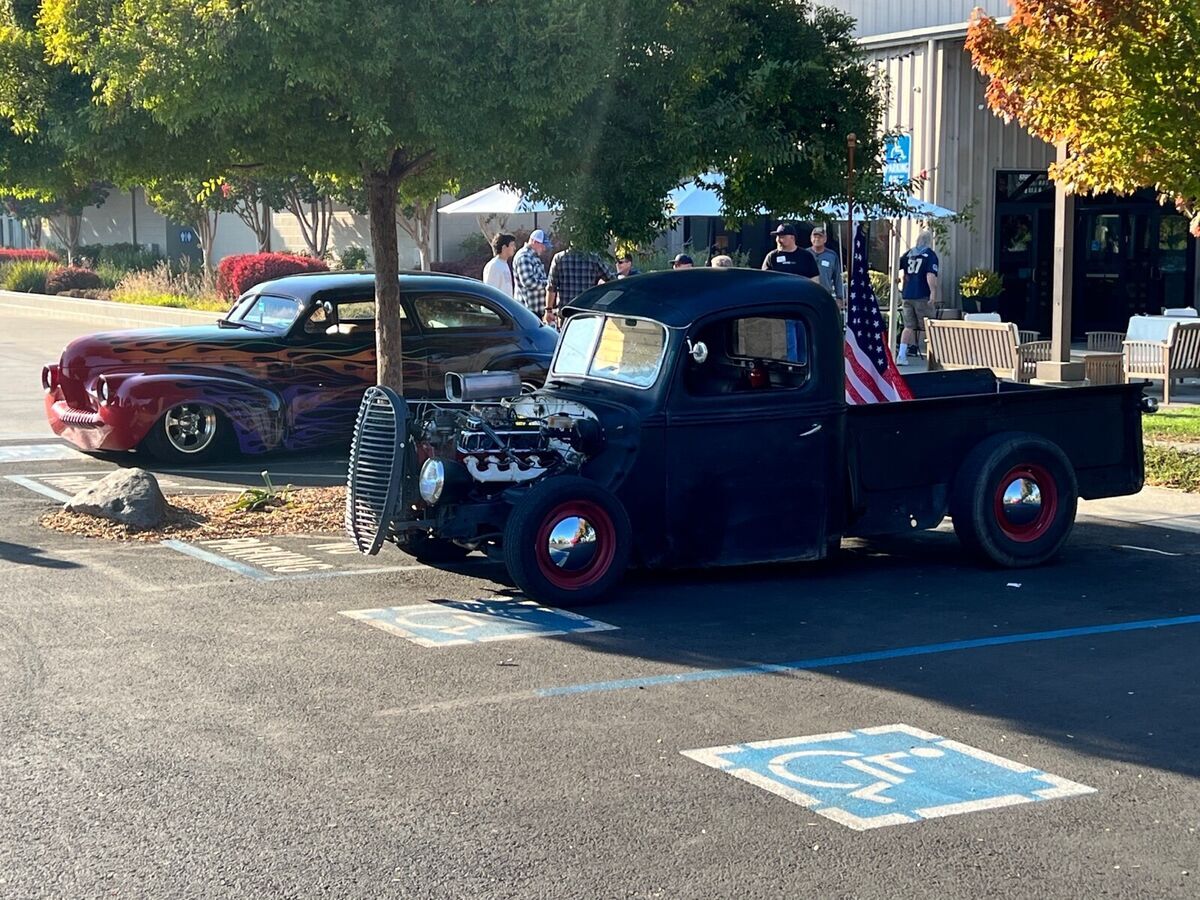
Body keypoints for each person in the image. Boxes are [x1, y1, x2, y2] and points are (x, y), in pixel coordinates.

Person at [897, 230, 940, 365]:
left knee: (908, 326)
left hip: (907, 294)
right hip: (922, 295)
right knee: (929, 325)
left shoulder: (908, 254)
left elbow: (896, 267)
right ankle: (937, 357)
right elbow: (930, 275)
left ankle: (901, 355)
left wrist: (898, 281)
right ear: (929, 242)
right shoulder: (930, 255)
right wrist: (933, 292)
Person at [545, 243, 616, 327]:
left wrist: (548, 310)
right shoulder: (594, 258)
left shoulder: (559, 258)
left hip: (566, 313)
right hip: (586, 313)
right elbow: (612, 281)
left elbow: (551, 287)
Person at [513, 229, 552, 318]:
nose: (544, 249)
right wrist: (549, 284)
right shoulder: (524, 257)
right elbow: (528, 282)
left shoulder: (533, 257)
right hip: (527, 310)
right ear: (535, 242)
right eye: (543, 245)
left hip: (535, 310)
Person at [807, 226, 844, 306]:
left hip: (825, 295)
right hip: (807, 295)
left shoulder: (832, 256)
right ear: (810, 238)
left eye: (820, 237)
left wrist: (839, 297)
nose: (817, 239)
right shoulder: (804, 254)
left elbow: (837, 278)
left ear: (825, 239)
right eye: (815, 236)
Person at [482, 232, 516, 297]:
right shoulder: (494, 266)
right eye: (512, 245)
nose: (514, 248)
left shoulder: (504, 264)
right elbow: (490, 292)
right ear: (504, 247)